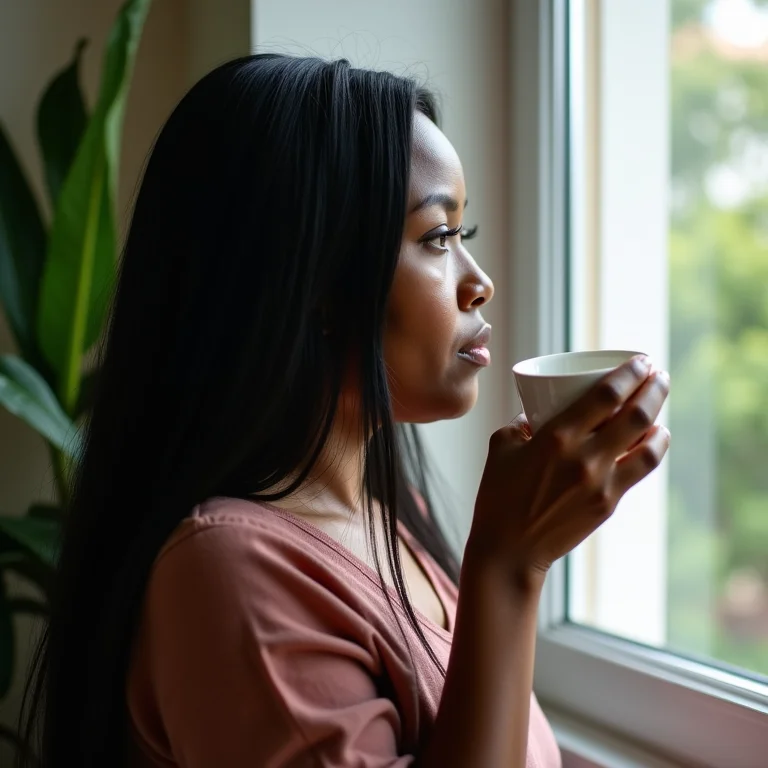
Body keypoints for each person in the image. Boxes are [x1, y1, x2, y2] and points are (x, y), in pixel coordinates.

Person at [19, 55, 670, 768]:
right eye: (437, 238)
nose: (478, 283)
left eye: (465, 237)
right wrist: (511, 567)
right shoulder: (229, 569)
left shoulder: (388, 521)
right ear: (315, 283)